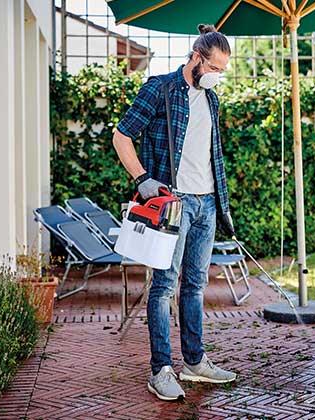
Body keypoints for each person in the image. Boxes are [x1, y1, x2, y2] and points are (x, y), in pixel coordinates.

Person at [112, 24, 238, 401]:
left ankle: (195, 363)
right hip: (174, 203)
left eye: (223, 71)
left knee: (196, 286)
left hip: (207, 202)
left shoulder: (212, 100)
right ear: (196, 58)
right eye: (214, 68)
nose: (218, 76)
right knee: (164, 285)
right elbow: (122, 135)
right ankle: (161, 370)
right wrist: (143, 179)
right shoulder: (160, 89)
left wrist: (219, 202)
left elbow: (209, 153)